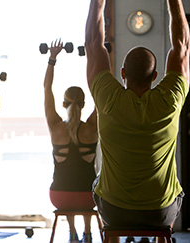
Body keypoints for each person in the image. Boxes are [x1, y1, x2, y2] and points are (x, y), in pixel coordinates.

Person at [85, 0, 189, 242]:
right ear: (155, 76)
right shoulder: (170, 101)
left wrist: (97, 3)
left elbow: (92, 42)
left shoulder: (108, 98)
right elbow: (182, 47)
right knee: (177, 191)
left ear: (122, 73)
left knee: (97, 182)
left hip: (114, 211)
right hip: (160, 213)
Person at [43, 40, 98, 243]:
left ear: (64, 103)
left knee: (70, 185)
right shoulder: (92, 127)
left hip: (60, 196)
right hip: (88, 198)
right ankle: (88, 233)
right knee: (87, 186)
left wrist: (52, 59)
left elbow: (46, 88)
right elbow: (100, 89)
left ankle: (72, 233)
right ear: (84, 104)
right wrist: (94, 57)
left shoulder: (55, 126)